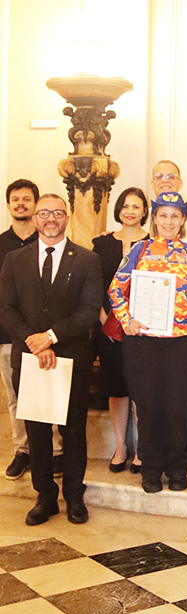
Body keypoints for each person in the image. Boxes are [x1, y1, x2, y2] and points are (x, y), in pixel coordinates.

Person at [0, 193, 103, 525]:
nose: (50, 219)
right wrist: (35, 342)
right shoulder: (15, 260)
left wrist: (52, 337)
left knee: (73, 430)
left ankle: (74, 496)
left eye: (57, 213)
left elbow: (89, 311)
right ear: (35, 217)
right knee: (38, 431)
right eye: (44, 212)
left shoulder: (87, 260)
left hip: (70, 357)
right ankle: (45, 497)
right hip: (30, 357)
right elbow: (6, 308)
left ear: (66, 217)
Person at [109, 191, 187, 494]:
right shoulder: (139, 250)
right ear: (154, 218)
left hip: (180, 340)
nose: (168, 221)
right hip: (144, 341)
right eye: (162, 215)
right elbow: (115, 290)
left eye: (174, 215)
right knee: (148, 406)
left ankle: (177, 467)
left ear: (183, 220)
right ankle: (150, 468)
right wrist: (127, 321)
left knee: (178, 407)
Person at [92, 186, 149, 473]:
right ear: (118, 210)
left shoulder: (153, 243)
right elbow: (92, 285)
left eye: (136, 206)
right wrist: (104, 319)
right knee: (117, 388)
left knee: (140, 387)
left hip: (142, 328)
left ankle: (141, 448)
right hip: (109, 327)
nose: (130, 211)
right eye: (125, 205)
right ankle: (121, 446)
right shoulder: (102, 244)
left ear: (144, 212)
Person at [0, 178, 40, 479]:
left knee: (47, 392)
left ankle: (53, 450)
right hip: (8, 335)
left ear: (35, 203)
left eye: (27, 199)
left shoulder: (49, 240)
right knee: (15, 395)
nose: (21, 203)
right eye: (16, 199)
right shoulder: (1, 244)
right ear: (8, 204)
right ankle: (23, 450)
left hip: (43, 336)